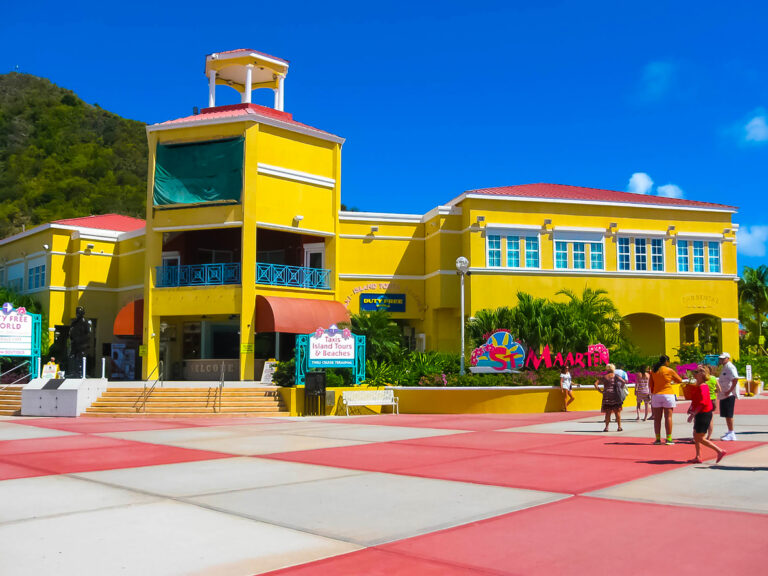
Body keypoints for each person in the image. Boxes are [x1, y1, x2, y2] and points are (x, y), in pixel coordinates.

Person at [687, 365, 726, 464]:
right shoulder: (698, 385)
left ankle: (719, 451)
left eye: (696, 372)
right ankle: (698, 456)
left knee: (700, 437)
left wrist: (693, 414)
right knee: (695, 435)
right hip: (700, 413)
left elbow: (703, 402)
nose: (694, 374)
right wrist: (691, 409)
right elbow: (696, 400)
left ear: (701, 374)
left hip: (703, 413)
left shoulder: (703, 386)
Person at [650, 354, 682, 445]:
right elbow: (679, 380)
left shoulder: (654, 371)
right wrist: (671, 381)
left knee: (657, 419)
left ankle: (657, 439)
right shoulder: (669, 370)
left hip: (656, 395)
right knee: (668, 417)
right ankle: (669, 439)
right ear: (666, 362)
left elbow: (651, 384)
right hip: (668, 394)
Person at [594, 363, 626, 432]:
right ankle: (619, 427)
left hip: (606, 395)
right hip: (615, 395)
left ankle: (606, 427)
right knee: (617, 412)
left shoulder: (604, 376)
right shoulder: (615, 376)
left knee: (608, 412)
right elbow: (623, 381)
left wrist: (600, 390)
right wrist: (621, 387)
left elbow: (595, 383)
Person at [717, 352, 740, 441]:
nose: (721, 360)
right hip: (724, 393)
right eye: (720, 358)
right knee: (726, 414)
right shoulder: (725, 367)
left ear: (728, 358)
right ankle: (730, 431)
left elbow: (735, 379)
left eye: (723, 358)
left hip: (729, 394)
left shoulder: (730, 367)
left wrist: (730, 391)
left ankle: (731, 433)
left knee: (729, 414)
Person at [702, 364, 718, 440]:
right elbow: (719, 389)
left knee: (701, 418)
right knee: (710, 418)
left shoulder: (703, 379)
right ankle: (709, 436)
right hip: (713, 399)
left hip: (705, 399)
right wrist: (713, 391)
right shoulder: (714, 378)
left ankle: (702, 434)